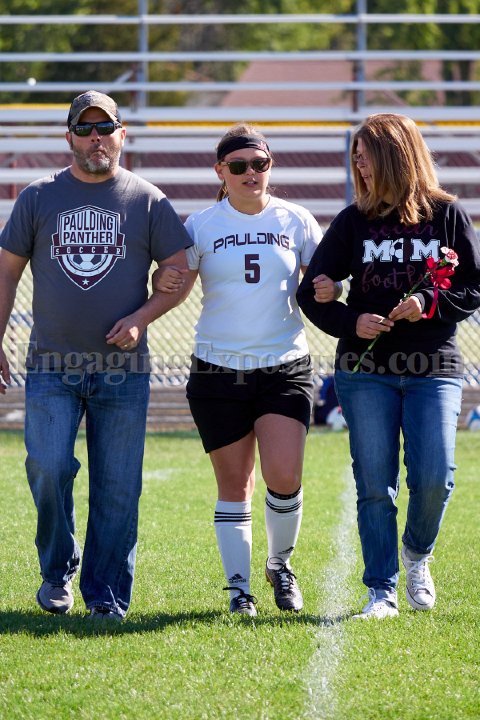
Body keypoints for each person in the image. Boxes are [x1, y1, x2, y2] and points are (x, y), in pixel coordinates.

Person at [0, 90, 193, 621]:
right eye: (84, 129)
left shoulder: (147, 200)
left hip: (122, 371)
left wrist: (142, 317)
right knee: (47, 466)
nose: (95, 138)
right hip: (51, 365)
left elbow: (179, 272)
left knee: (118, 488)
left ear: (121, 134)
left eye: (104, 128)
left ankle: (106, 594)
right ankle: (57, 569)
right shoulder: (38, 197)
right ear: (69, 137)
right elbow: (7, 273)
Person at [297, 113, 480, 619]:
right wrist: (351, 321)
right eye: (355, 157)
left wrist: (429, 304)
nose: (359, 166)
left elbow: (472, 287)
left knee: (435, 476)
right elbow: (311, 293)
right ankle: (381, 590)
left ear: (396, 155)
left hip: (434, 366)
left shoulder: (447, 215)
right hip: (365, 372)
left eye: (367, 156)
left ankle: (417, 554)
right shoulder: (352, 221)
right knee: (375, 485)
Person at [154, 123, 341, 616]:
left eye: (259, 164)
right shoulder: (200, 224)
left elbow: (325, 280)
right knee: (235, 486)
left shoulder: (296, 219)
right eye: (238, 166)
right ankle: (239, 589)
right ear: (221, 171)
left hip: (283, 366)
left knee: (285, 475)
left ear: (270, 166)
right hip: (218, 368)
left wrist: (334, 290)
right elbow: (175, 287)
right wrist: (159, 282)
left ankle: (280, 565)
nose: (250, 173)